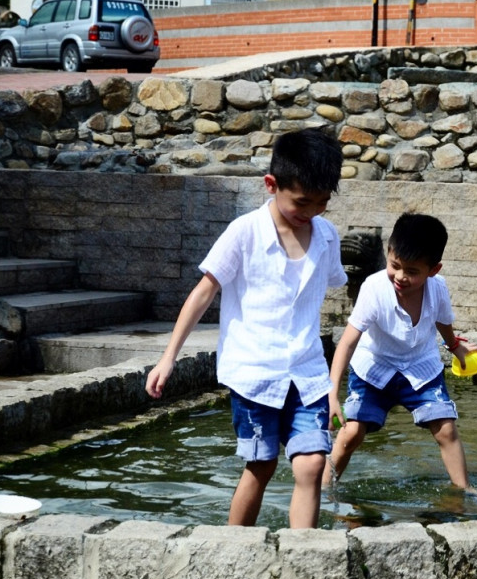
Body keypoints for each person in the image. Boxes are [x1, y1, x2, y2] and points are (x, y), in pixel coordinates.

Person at [144, 128, 347, 528]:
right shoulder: (244, 232)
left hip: (306, 373)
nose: (312, 212)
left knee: (311, 464)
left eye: (322, 203)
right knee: (262, 465)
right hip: (255, 373)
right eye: (302, 202)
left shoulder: (326, 236)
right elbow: (203, 293)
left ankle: (301, 553)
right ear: (271, 185)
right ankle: (234, 547)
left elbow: (341, 289)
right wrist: (168, 358)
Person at [324, 213, 477, 501]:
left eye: (412, 271)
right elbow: (348, 343)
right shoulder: (374, 289)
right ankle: (323, 488)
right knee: (351, 433)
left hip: (420, 367)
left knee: (446, 429)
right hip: (374, 367)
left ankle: (464, 490)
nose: (401, 277)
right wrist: (331, 394)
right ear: (389, 254)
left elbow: (442, 321)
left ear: (433, 270)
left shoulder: (438, 289)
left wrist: (455, 347)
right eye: (395, 266)